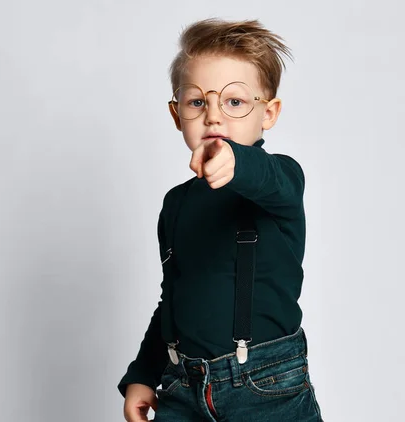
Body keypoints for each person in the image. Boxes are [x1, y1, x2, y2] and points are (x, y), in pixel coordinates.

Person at [118, 18, 323, 421]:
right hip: (182, 386)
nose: (213, 117)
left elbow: (267, 176)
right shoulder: (175, 203)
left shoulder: (280, 179)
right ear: (177, 114)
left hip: (267, 388)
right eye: (197, 102)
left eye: (234, 102)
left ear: (269, 113)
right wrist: (143, 375)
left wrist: (235, 160)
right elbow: (172, 301)